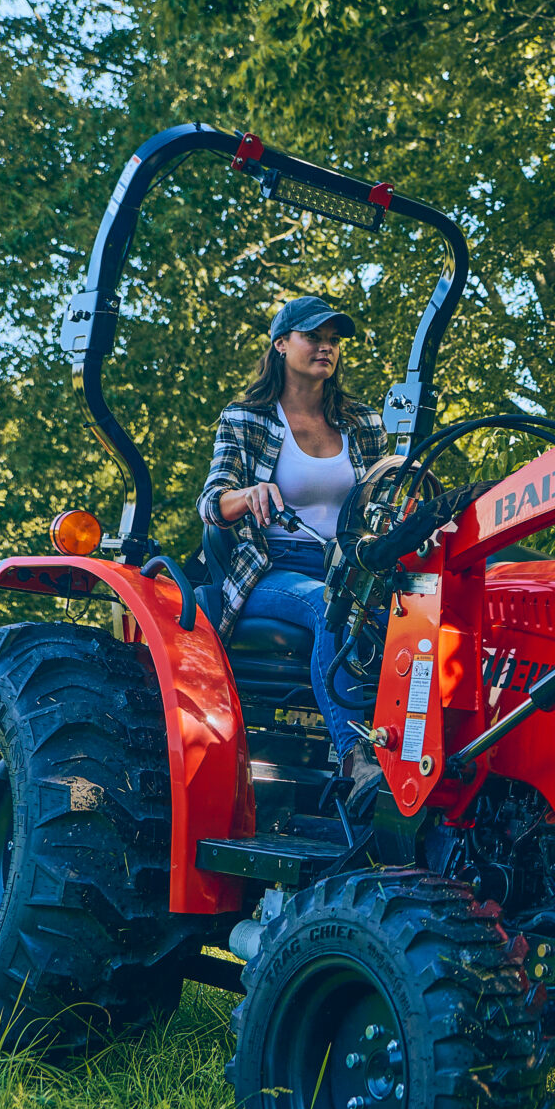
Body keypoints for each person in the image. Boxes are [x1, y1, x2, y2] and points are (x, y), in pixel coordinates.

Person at [196, 295, 392, 803]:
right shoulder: (246, 420)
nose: (325, 348)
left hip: (350, 569)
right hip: (271, 569)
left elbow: (389, 498)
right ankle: (359, 759)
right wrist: (248, 494)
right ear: (282, 345)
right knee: (331, 606)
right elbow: (212, 503)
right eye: (313, 337)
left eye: (333, 340)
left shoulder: (363, 424)